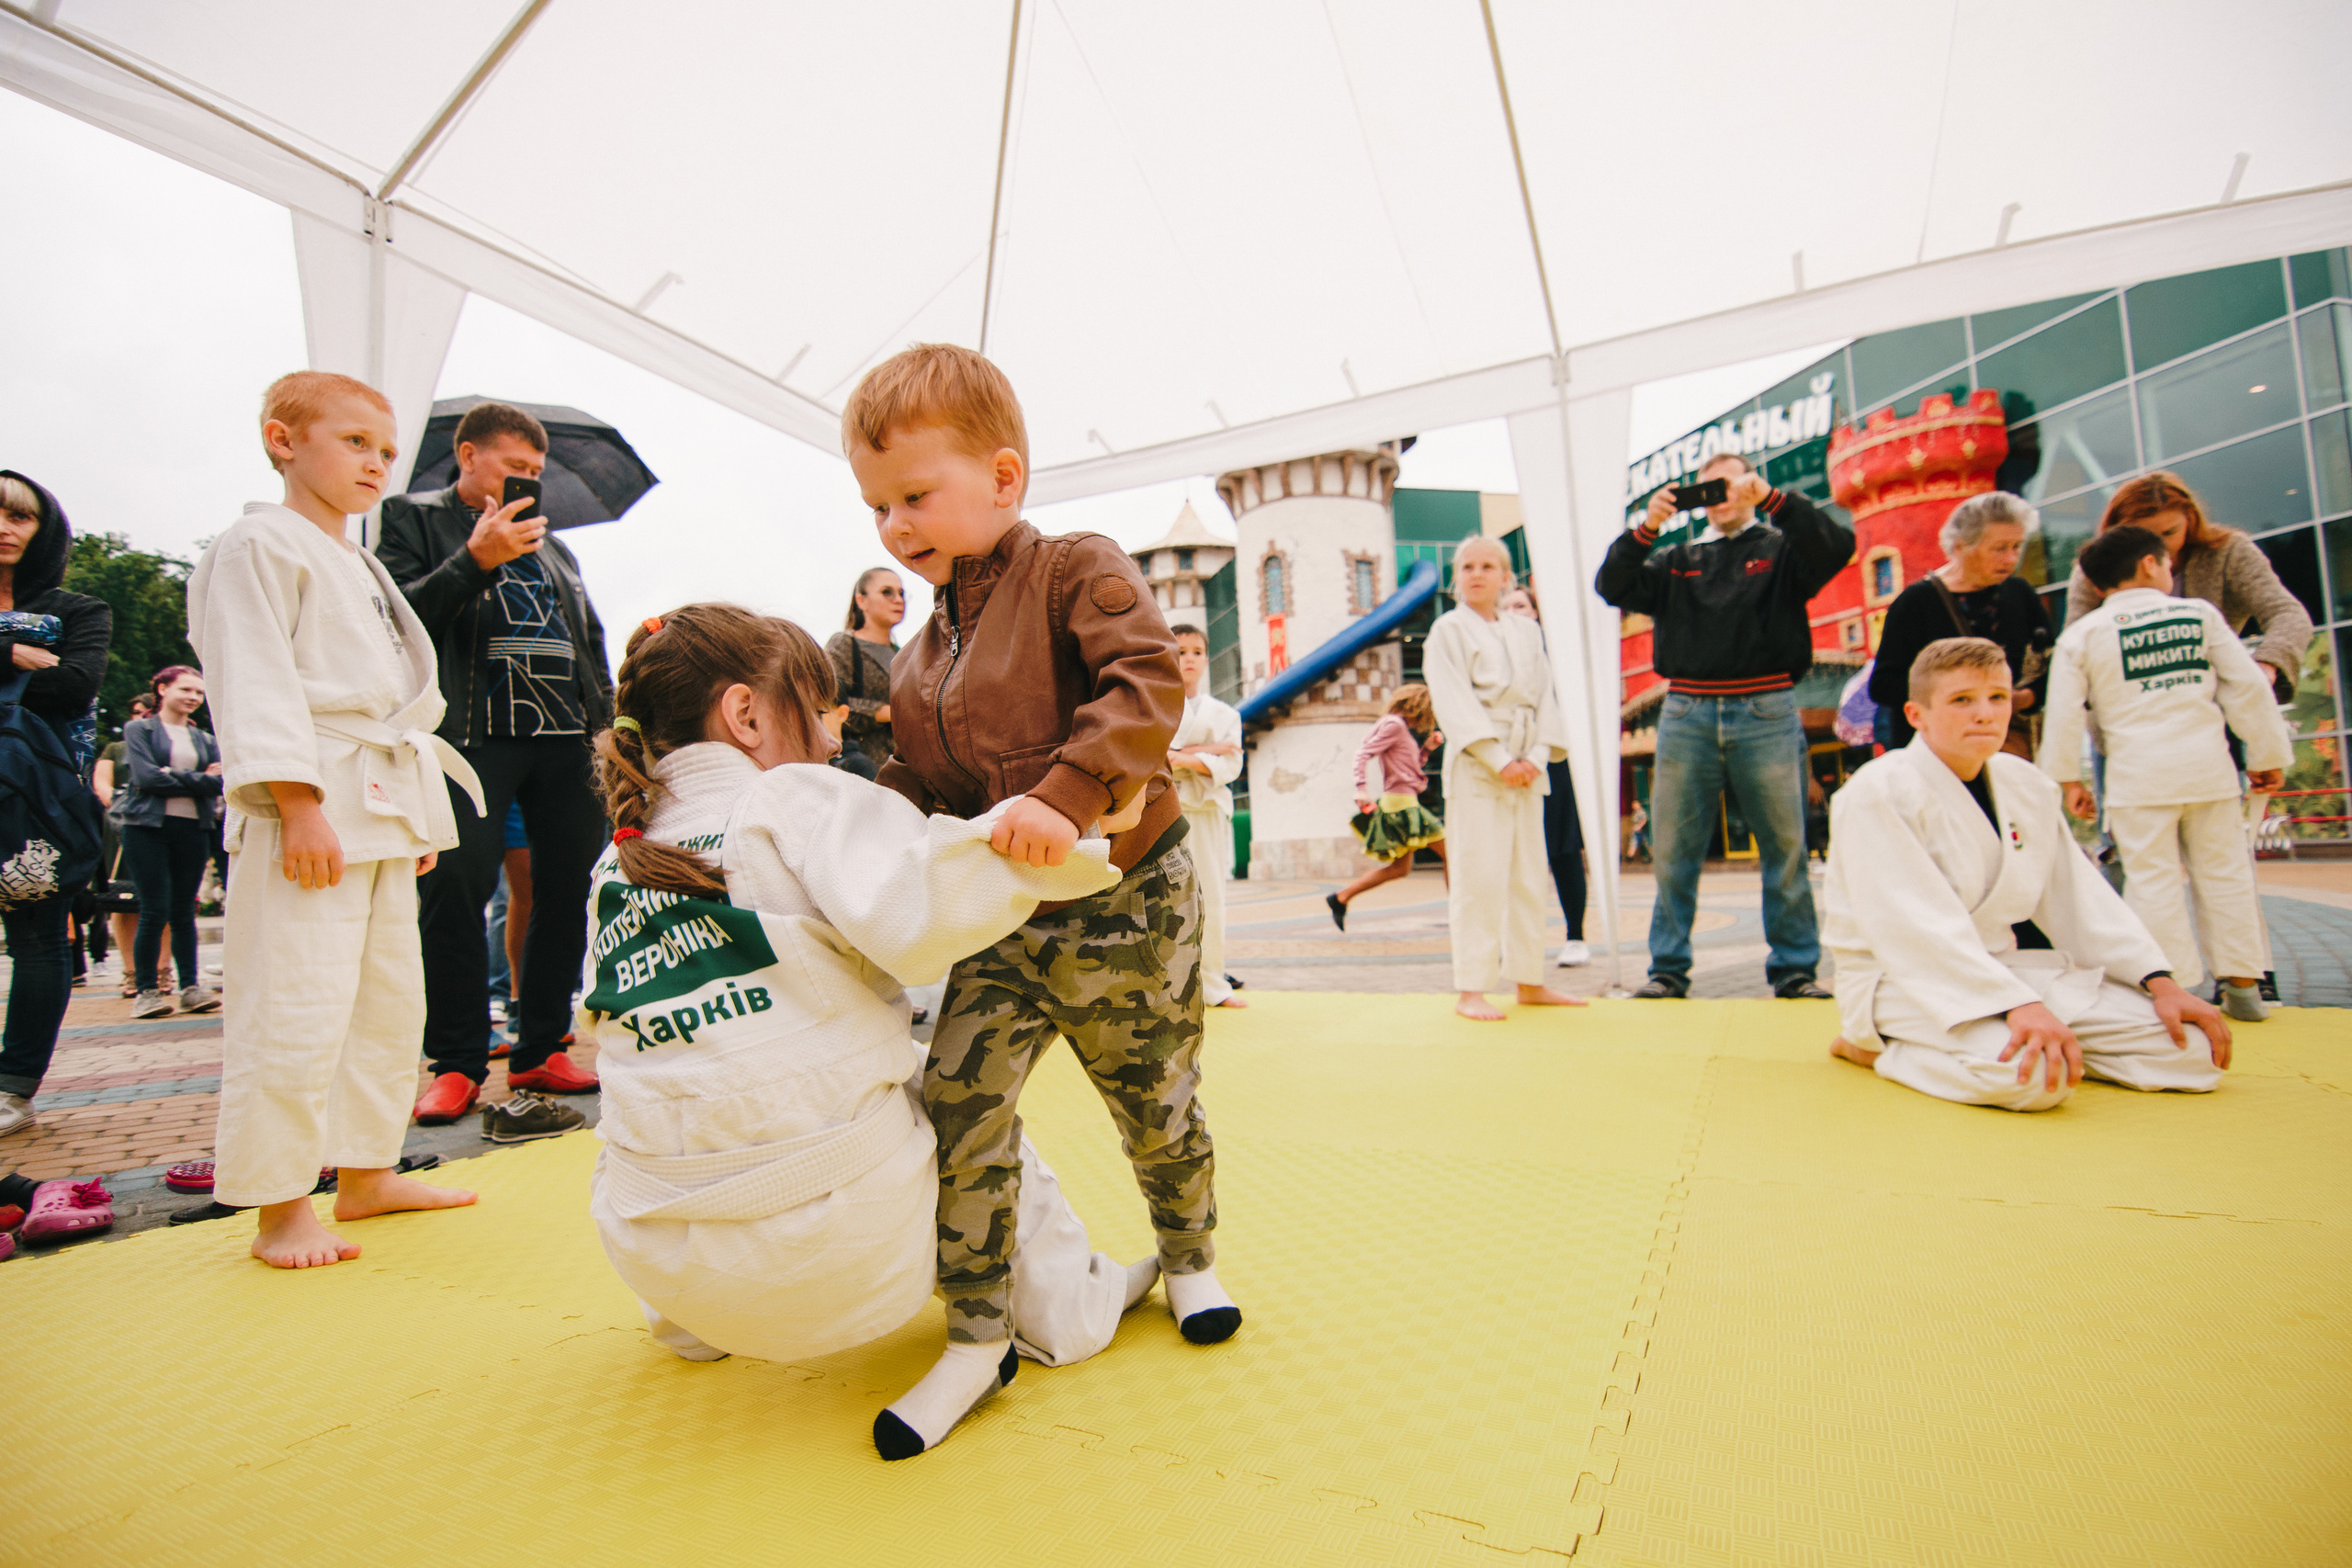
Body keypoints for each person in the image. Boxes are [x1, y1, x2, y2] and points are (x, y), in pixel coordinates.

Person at [580, 604, 1155, 1458]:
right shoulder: (784, 798)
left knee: (667, 1082)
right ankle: (1072, 1306)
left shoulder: (619, 860)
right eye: (817, 712)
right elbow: (921, 901)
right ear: (746, 716)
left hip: (656, 1253)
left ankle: (690, 1325)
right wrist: (1068, 828)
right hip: (842, 1255)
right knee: (960, 1090)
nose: (828, 737)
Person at [844, 344, 1237, 1457]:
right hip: (1007, 924)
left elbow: (1147, 679)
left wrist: (1070, 794)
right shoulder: (921, 654)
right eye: (878, 505)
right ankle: (977, 1326)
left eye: (915, 496)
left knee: (1153, 1100)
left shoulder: (1075, 568)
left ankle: (1190, 1257)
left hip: (1123, 902)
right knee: (959, 1106)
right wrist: (865, 829)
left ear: (1003, 477)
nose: (895, 525)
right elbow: (925, 782)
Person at [186, 369, 484, 1268]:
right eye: (355, 443)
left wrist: (408, 818)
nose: (375, 464)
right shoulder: (256, 545)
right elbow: (256, 681)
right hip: (306, 801)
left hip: (377, 796)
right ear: (284, 439)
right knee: (296, 1001)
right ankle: (280, 1207)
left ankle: (365, 1172)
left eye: (387, 452)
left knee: (386, 1001)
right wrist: (299, 802)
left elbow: (389, 695)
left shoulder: (353, 560)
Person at [1823, 637, 2230, 1111]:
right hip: (1897, 980)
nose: (1985, 714)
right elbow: (1913, 928)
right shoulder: (1878, 791)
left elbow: (2077, 898)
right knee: (2034, 1080)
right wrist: (2019, 1006)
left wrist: (2159, 982)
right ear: (1916, 715)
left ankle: (2046, 1045)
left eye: (1997, 697)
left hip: (2001, 971)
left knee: (2194, 1054)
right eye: (1962, 701)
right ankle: (1877, 1051)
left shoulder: (2027, 784)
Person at [377, 400, 612, 1124]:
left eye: (535, 475)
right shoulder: (412, 521)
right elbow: (396, 620)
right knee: (455, 890)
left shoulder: (556, 548)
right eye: (515, 469)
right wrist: (475, 558)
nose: (527, 486)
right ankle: (456, 1062)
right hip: (470, 738)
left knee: (566, 888)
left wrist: (607, 729)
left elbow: (590, 639)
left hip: (564, 740)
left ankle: (541, 1045)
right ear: (468, 454)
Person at [1596, 454, 1854, 1000]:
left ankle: (1795, 970)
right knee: (1673, 849)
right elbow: (1612, 585)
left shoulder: (1781, 550)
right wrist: (1645, 528)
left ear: (1752, 484)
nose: (1721, 494)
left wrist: (1776, 501)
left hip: (1766, 704)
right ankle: (1667, 969)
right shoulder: (1675, 560)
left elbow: (1837, 547)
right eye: (1710, 486)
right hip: (1688, 708)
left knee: (1785, 847)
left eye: (1732, 481)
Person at [2041, 526, 2291, 1021]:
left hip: (2138, 779)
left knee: (2151, 882)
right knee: (2226, 875)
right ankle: (2244, 986)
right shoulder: (2199, 616)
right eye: (2168, 565)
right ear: (2152, 565)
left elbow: (2064, 712)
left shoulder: (2083, 635)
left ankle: (2176, 991)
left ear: (2094, 586)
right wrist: (2267, 755)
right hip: (2208, 770)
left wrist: (2069, 779)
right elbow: (2246, 689)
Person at [1423, 537, 1584, 1021]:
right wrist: (1498, 758)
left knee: (1529, 876)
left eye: (1488, 565)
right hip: (1478, 766)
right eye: (1467, 566)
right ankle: (1471, 988)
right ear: (1456, 577)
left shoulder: (1526, 631)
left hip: (1528, 763)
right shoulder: (1446, 631)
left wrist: (1536, 755)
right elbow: (1452, 702)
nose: (1477, 574)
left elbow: (1546, 697)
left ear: (1504, 575)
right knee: (1479, 878)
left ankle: (1530, 980)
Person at [0, 472, 113, 1141]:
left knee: (40, 940)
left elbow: (73, 687)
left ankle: (14, 1087)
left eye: (23, 516)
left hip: (38, 800)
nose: (7, 526)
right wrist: (12, 653)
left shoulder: (78, 607)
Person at [2064, 471, 2312, 703]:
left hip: (2212, 710)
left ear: (2190, 518)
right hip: (2123, 715)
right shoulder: (2094, 569)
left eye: (2169, 532)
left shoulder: (2230, 552)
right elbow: (2075, 649)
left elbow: (2288, 615)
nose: (2157, 548)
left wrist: (2265, 666)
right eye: (2143, 538)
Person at [1867, 491, 2053, 752]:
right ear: (1960, 547)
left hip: (2009, 750)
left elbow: (2052, 666)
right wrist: (1958, 696)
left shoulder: (2020, 593)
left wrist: (2023, 698)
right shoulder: (1915, 602)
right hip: (1939, 755)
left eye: (2017, 547)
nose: (2011, 559)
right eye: (1999, 548)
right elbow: (1884, 685)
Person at [118, 667, 225, 1018]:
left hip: (193, 828)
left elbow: (220, 783)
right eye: (186, 689)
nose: (193, 697)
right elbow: (146, 778)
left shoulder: (206, 739)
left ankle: (191, 988)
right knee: (153, 909)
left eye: (198, 692)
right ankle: (147, 991)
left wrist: (172, 776)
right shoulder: (139, 729)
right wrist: (199, 779)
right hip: (147, 827)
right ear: (162, 689)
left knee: (183, 911)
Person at [1503, 584, 1591, 967]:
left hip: (1552, 760)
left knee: (1563, 850)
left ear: (1537, 612)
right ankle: (1518, 944)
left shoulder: (1556, 656)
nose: (1514, 612)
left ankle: (1576, 935)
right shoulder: (1491, 655)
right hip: (1503, 763)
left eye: (1521, 605)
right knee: (1512, 854)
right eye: (1506, 607)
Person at [1168, 624, 1247, 1008]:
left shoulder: (1225, 713)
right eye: (1181, 651)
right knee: (1166, 899)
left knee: (1210, 896)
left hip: (1207, 811)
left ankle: (1213, 984)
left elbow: (1231, 765)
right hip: (1164, 811)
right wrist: (1206, 752)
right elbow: (1150, 757)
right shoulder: (1154, 706)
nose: (1189, 659)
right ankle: (1167, 985)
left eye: (1197, 651)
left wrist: (1182, 757)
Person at [1326, 683, 1446, 927]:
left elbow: (1408, 769)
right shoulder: (1395, 725)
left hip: (1403, 801)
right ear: (1419, 706)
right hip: (1401, 805)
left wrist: (1426, 750)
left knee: (1400, 869)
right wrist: (1361, 788)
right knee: (1451, 854)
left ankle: (1341, 897)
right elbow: (1362, 754)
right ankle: (1460, 911)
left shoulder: (1397, 727)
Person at [92, 692, 157, 996]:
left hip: (160, 824)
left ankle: (162, 971)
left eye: (148, 712)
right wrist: (119, 806)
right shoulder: (116, 748)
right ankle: (130, 971)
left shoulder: (167, 744)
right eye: (136, 712)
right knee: (122, 901)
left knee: (160, 901)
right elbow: (101, 783)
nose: (141, 717)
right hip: (122, 825)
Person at [825, 567, 905, 780]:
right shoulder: (845, 644)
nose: (898, 599)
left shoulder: (906, 654)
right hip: (863, 770)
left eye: (901, 593)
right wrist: (891, 712)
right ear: (861, 600)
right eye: (887, 592)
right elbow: (828, 707)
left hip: (907, 771)